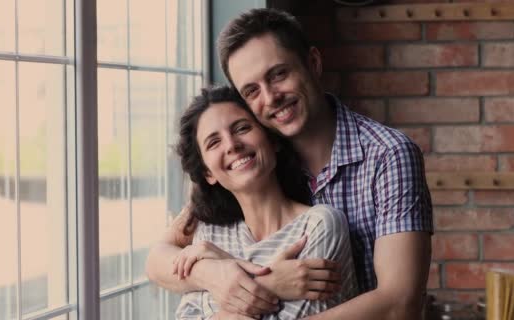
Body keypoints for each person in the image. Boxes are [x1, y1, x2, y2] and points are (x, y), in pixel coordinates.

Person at [146, 8, 433, 320]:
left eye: (278, 74)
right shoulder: (250, 167)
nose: (270, 98)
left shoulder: (388, 155)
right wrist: (216, 276)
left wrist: (248, 292)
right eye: (251, 91)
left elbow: (399, 303)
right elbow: (158, 260)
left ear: (313, 63)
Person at [171, 85, 357, 319]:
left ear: (273, 141)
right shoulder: (210, 235)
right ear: (208, 173)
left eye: (242, 128)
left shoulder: (319, 225)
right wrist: (272, 283)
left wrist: (223, 280)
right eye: (213, 143)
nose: (231, 145)